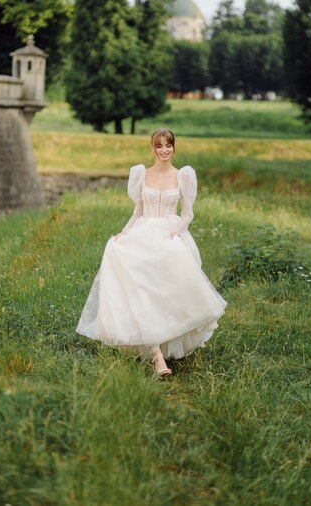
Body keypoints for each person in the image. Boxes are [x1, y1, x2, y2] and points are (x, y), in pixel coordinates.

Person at [76, 128, 227, 376]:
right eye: (159, 146)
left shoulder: (183, 176)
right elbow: (138, 211)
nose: (164, 150)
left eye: (168, 145)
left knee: (162, 291)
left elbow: (188, 213)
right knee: (130, 272)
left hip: (169, 233)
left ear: (174, 147)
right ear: (153, 148)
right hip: (143, 232)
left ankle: (162, 344)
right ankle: (157, 356)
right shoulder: (141, 174)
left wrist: (176, 233)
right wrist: (123, 233)